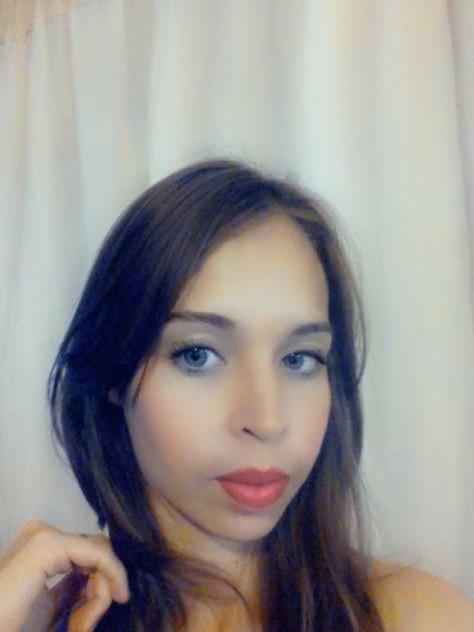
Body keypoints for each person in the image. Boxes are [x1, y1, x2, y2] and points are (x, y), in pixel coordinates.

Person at [0, 158, 472, 632]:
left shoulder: (425, 617)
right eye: (199, 355)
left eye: (299, 358)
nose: (266, 421)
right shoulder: (35, 619)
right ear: (114, 375)